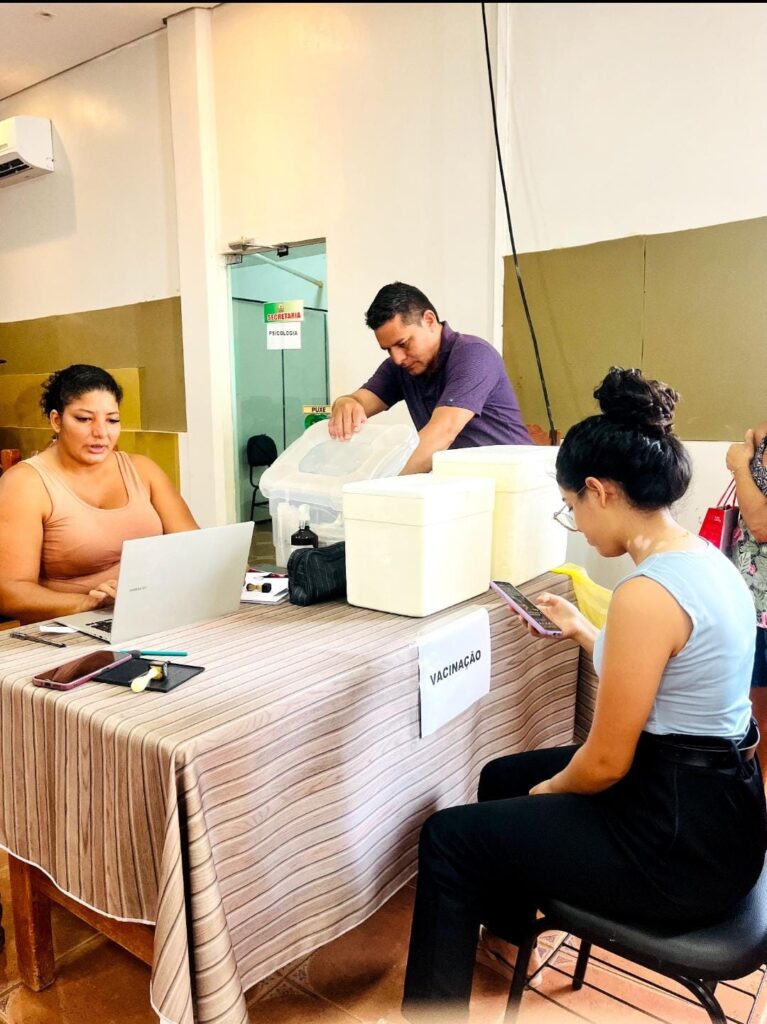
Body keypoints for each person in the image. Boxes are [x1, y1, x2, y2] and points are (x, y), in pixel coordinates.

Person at [401, 367, 767, 1023]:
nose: (573, 520)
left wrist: (545, 797)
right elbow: (665, 677)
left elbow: (602, 765)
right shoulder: (703, 561)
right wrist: (582, 630)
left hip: (678, 851)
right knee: (500, 775)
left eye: (570, 505)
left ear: (598, 490)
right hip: (723, 813)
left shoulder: (646, 594)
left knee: (450, 838)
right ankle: (508, 942)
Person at [0, 364, 198, 625]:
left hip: (149, 613)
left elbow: (195, 547)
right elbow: (11, 592)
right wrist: (91, 603)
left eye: (112, 420)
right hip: (67, 628)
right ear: (56, 420)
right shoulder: (25, 483)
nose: (101, 433)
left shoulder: (143, 470)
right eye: (84, 419)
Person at [328, 282, 532, 474]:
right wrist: (345, 402)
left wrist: (370, 482)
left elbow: (443, 433)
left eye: (403, 344)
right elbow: (359, 401)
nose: (397, 358)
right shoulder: (399, 367)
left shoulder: (474, 354)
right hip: (464, 483)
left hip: (517, 482)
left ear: (429, 320)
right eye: (388, 349)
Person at [728, 421, 767, 765]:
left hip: (759, 607)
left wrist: (741, 464)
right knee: (752, 713)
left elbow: (762, 525)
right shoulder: (758, 435)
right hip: (750, 602)